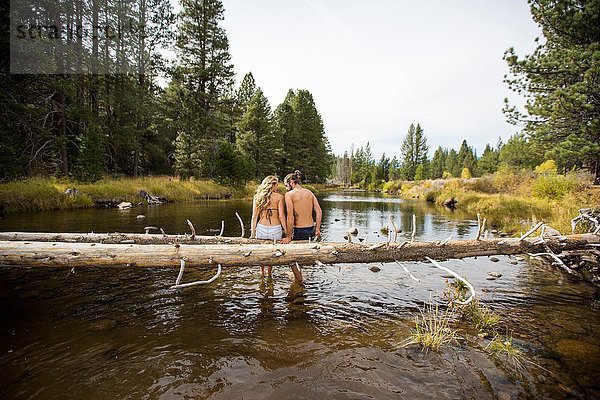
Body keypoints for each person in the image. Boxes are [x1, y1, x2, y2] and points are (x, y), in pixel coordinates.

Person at [280, 170, 323, 282]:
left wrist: (288, 236)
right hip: (310, 229)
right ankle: (300, 278)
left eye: (286, 185)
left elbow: (290, 216)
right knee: (303, 254)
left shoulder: (289, 195)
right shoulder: (309, 193)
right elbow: (319, 211)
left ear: (291, 182)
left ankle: (299, 282)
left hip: (298, 230)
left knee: (293, 258)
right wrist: (317, 228)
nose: (286, 188)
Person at [250, 175, 286, 276]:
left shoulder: (257, 197)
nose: (278, 187)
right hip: (275, 229)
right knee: (272, 253)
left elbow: (254, 217)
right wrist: (287, 232)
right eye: (277, 184)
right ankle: (269, 273)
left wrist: (253, 234)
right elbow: (282, 216)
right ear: (272, 185)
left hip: (261, 228)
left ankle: (261, 272)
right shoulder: (279, 197)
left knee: (261, 252)